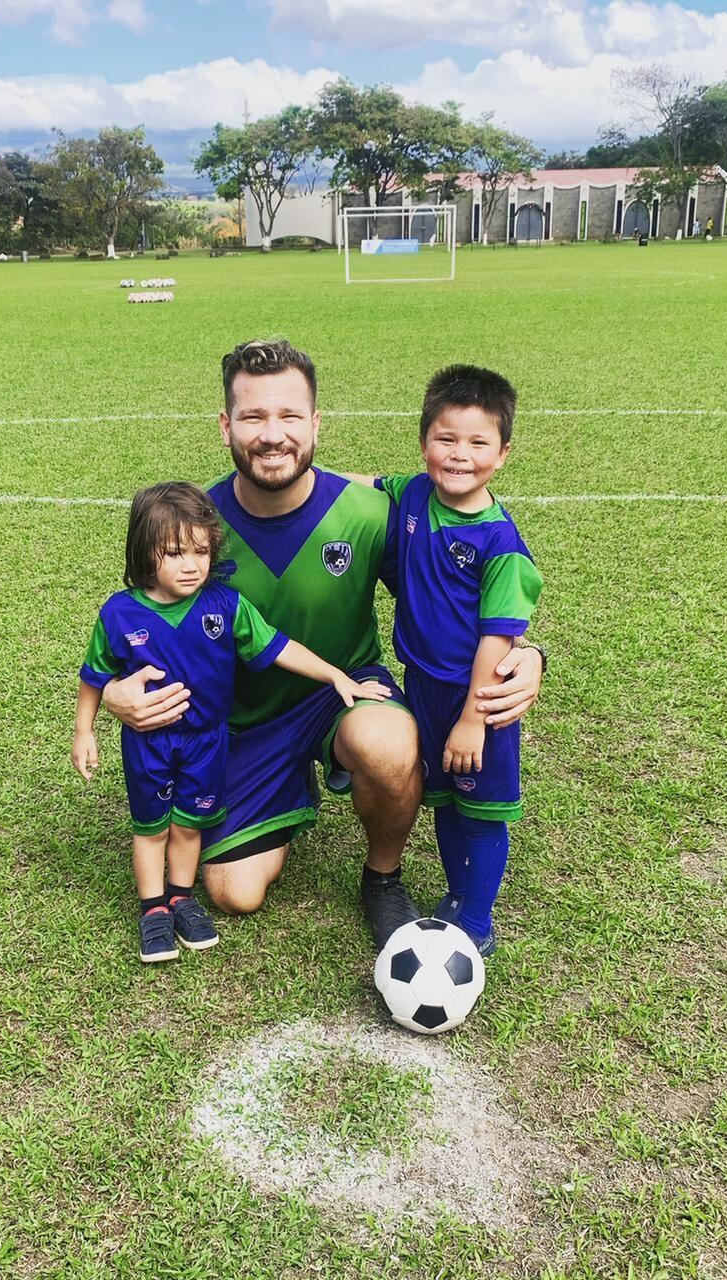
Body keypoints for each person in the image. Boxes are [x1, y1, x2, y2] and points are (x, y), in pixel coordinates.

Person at [99, 341, 545, 947]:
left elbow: (457, 596)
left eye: (289, 416)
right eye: (253, 417)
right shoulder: (194, 525)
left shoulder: (370, 513)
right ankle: (290, 784)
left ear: (315, 424)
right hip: (243, 719)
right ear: (227, 426)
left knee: (388, 744)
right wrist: (114, 693)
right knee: (234, 893)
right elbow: (139, 617)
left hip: (346, 688)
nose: (272, 434)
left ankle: (382, 877)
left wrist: (528, 654)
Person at [73, 481, 391, 962]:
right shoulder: (119, 613)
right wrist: (84, 730)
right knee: (152, 828)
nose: (191, 565)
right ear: (144, 552)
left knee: (189, 823)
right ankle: (152, 909)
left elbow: (278, 646)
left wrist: (335, 676)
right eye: (175, 553)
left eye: (201, 552)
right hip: (150, 743)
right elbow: (94, 675)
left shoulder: (224, 605)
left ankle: (181, 898)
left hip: (208, 741)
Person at [363, 366, 542, 957]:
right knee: (442, 798)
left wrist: (473, 718)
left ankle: (478, 920)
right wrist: (310, 479)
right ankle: (458, 895)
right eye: (446, 438)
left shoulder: (501, 545)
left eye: (478, 442)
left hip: (479, 699)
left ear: (503, 453)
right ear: (424, 443)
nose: (459, 454)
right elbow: (363, 484)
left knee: (481, 811)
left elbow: (497, 637)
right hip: (423, 687)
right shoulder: (414, 493)